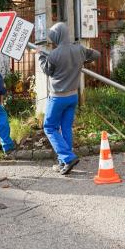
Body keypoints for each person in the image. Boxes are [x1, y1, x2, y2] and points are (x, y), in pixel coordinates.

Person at [38, 22, 100, 175]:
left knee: (49, 127)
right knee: (65, 128)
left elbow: (48, 71)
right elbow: (97, 54)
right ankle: (63, 162)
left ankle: (68, 157)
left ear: (57, 37)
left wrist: (40, 56)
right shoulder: (79, 49)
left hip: (57, 98)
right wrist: (80, 62)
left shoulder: (54, 54)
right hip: (73, 96)